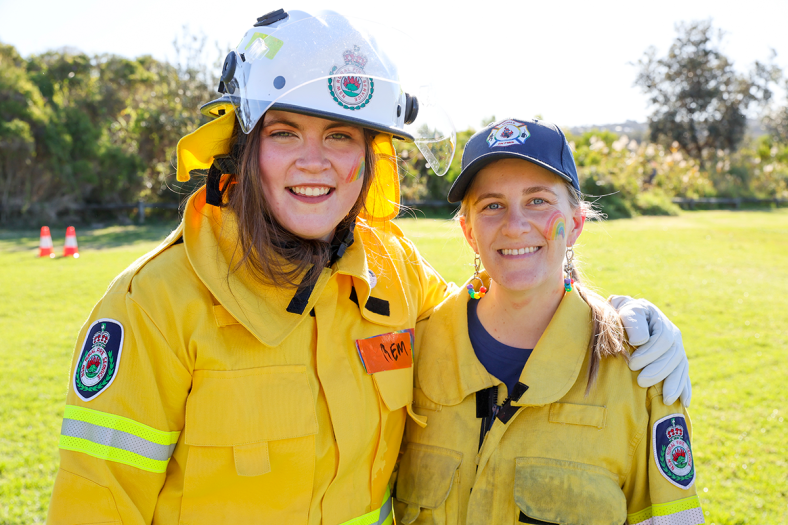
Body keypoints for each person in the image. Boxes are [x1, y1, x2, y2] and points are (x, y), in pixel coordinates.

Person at [46, 11, 690, 525]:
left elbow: (504, 296)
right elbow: (94, 506)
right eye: (286, 132)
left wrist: (620, 318)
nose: (314, 162)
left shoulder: (394, 269)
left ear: (370, 156)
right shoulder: (151, 305)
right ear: (243, 147)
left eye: (339, 136)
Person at [393, 118, 703, 525]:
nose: (515, 225)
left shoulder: (640, 368)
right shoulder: (416, 350)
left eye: (538, 200)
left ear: (575, 224)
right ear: (469, 230)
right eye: (492, 205)